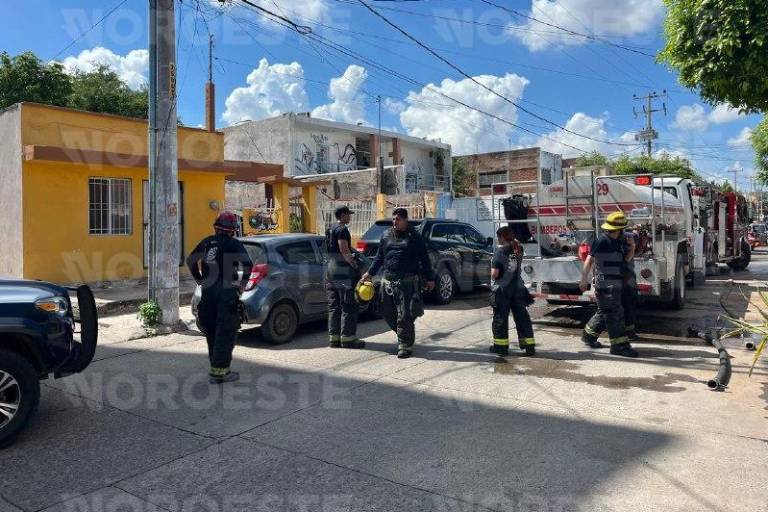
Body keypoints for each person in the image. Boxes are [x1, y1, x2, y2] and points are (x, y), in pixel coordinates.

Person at [186, 211, 254, 383]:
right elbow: (247, 264)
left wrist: (199, 279)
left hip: (208, 295)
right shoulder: (234, 244)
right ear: (232, 230)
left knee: (212, 332)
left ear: (216, 227)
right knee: (226, 332)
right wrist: (242, 284)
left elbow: (190, 260)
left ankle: (217, 368)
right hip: (226, 294)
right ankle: (219, 373)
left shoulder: (207, 242)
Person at [360, 208, 435, 359]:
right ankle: (406, 334)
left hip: (407, 282)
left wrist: (430, 278)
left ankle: (404, 346)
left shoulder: (415, 237)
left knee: (404, 315)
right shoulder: (386, 235)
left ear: (406, 220)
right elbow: (379, 257)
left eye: (398, 219)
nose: (395, 222)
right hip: (387, 281)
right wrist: (369, 273)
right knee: (385, 312)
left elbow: (425, 259)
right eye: (393, 219)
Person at [579, 211, 639, 358]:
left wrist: (632, 247)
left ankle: (588, 336)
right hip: (606, 284)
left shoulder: (618, 241)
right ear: (618, 229)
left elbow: (625, 260)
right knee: (615, 314)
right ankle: (619, 346)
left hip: (616, 282)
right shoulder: (602, 241)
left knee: (604, 311)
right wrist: (583, 278)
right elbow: (589, 260)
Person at [489, 226, 536, 357]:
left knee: (500, 319)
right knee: (522, 318)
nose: (498, 239)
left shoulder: (500, 252)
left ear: (502, 237)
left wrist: (492, 272)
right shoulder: (519, 249)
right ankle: (529, 346)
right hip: (518, 288)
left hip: (503, 290)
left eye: (498, 237)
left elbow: (495, 274)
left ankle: (501, 348)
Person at [326, 205, 364, 349]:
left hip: (331, 268)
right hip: (342, 270)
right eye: (348, 214)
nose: (350, 217)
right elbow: (344, 249)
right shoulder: (342, 230)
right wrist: (354, 265)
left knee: (334, 306)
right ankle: (348, 339)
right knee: (348, 304)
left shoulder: (330, 229)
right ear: (342, 215)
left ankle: (334, 339)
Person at [621, 229, 639, 340]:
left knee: (626, 305)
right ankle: (629, 332)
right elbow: (627, 260)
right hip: (626, 279)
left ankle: (628, 330)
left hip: (622, 279)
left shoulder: (614, 240)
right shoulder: (626, 244)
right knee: (629, 305)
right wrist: (632, 246)